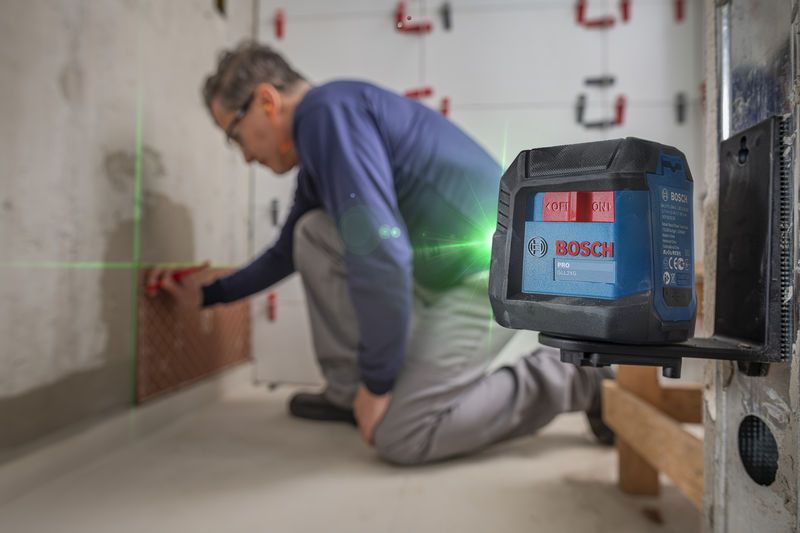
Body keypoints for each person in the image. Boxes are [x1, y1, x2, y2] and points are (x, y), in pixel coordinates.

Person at [147, 41, 613, 465]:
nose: (243, 155)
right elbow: (289, 250)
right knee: (312, 233)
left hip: (488, 278)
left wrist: (379, 383)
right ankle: (345, 394)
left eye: (233, 134)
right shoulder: (324, 136)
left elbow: (382, 256)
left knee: (402, 435)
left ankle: (573, 379)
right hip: (442, 275)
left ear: (266, 102)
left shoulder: (328, 115)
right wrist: (210, 295)